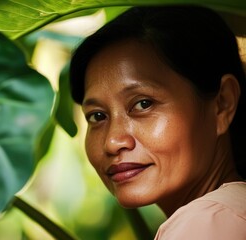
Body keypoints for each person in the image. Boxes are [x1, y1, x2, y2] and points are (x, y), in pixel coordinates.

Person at [69, 5, 246, 239]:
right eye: (97, 116)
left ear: (223, 104)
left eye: (143, 104)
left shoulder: (207, 220)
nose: (112, 142)